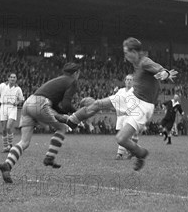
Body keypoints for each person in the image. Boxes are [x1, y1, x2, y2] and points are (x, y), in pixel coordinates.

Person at [64, 38, 177, 171]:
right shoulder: (136, 63)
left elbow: (159, 68)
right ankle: (71, 121)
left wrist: (165, 73)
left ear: (134, 51)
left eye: (126, 52)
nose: (125, 55)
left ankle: (141, 153)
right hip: (132, 96)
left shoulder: (144, 61)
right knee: (98, 104)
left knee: (121, 139)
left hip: (142, 106)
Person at [0, 63, 81, 184]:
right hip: (40, 104)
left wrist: (66, 115)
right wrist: (77, 114)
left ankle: (7, 165)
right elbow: (66, 105)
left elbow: (57, 106)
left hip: (28, 103)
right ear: (76, 73)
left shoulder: (59, 80)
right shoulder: (72, 81)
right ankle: (49, 157)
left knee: (24, 142)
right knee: (63, 128)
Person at [0, 73, 24, 153]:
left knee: (9, 127)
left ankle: (10, 145)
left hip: (12, 108)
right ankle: (5, 146)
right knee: (3, 129)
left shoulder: (18, 89)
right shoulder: (2, 86)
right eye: (11, 77)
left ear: (16, 79)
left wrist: (17, 102)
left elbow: (21, 99)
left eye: (14, 77)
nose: (13, 79)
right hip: (3, 107)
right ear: (8, 78)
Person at [113, 74, 140, 160]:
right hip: (120, 116)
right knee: (120, 135)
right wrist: (114, 93)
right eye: (127, 79)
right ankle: (132, 151)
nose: (128, 81)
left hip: (130, 116)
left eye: (130, 80)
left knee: (124, 136)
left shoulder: (135, 91)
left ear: (133, 82)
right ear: (124, 81)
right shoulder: (120, 91)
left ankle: (119, 154)